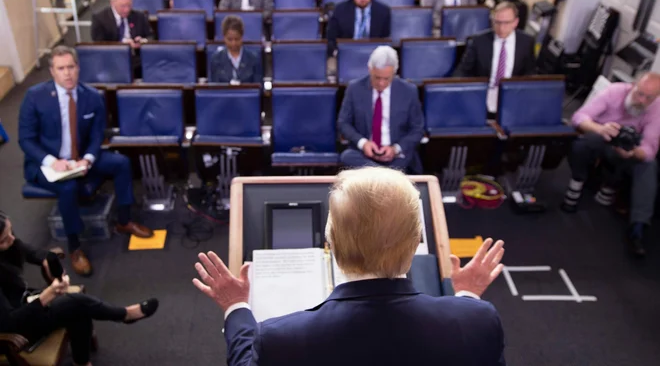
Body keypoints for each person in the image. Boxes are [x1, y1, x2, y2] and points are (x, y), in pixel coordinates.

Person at [193, 166, 507, 366]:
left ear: (332, 244)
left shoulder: (277, 339)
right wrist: (467, 297)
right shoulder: (479, 321)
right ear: (415, 244)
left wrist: (235, 306)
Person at [18, 46, 153, 276]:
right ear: (52, 71)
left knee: (121, 164)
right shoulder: (35, 96)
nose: (67, 73)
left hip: (80, 159)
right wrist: (52, 161)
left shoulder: (92, 96)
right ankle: (75, 246)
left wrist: (88, 160)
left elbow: (97, 134)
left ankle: (124, 220)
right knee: (68, 187)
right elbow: (26, 139)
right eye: (61, 68)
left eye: (71, 67)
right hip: (47, 164)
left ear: (78, 68)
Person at [0, 211, 158, 366]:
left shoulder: (9, 243)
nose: (12, 239)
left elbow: (32, 252)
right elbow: (9, 324)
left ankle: (84, 361)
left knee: (77, 308)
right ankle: (124, 315)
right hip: (15, 330)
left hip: (23, 302)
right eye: (4, 240)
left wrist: (47, 261)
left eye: (11, 232)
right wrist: (46, 297)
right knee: (76, 305)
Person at [561, 74, 660, 257]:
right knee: (583, 143)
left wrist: (633, 152)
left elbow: (650, 148)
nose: (642, 100)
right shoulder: (614, 91)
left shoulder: (656, 108)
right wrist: (600, 129)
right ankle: (577, 184)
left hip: (627, 148)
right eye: (640, 94)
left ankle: (637, 228)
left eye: (649, 98)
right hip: (601, 136)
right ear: (633, 85)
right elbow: (579, 116)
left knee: (649, 165)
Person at [337, 46, 424, 173]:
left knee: (407, 157)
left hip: (396, 155)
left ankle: (378, 173)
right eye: (377, 77)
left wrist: (395, 149)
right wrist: (363, 143)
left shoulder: (409, 91)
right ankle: (386, 174)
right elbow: (343, 123)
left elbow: (417, 129)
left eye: (386, 78)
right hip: (365, 155)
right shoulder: (354, 89)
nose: (381, 83)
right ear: (369, 69)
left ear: (394, 72)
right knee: (347, 157)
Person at [454, 1, 536, 114]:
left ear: (515, 22)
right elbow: (462, 71)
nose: (501, 28)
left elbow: (529, 72)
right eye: (497, 22)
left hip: (512, 95)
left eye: (506, 23)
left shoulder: (526, 42)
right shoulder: (478, 41)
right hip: (483, 94)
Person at [327, 0, 391, 56]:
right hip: (348, 52)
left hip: (374, 53)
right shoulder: (340, 10)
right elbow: (331, 37)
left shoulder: (383, 11)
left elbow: (385, 39)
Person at [209, 16, 262, 83]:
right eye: (230, 39)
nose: (233, 43)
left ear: (242, 37)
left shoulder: (254, 59)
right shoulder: (216, 59)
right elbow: (214, 89)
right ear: (224, 37)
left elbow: (258, 89)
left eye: (237, 39)